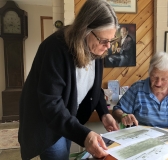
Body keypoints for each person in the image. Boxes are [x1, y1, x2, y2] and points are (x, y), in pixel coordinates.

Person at [18, 0, 120, 159]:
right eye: (104, 40)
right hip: (47, 121)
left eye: (111, 40)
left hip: (67, 116)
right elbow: (51, 103)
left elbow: (94, 87)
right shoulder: (55, 48)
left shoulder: (97, 48)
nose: (108, 46)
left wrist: (104, 113)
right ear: (85, 30)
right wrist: (85, 135)